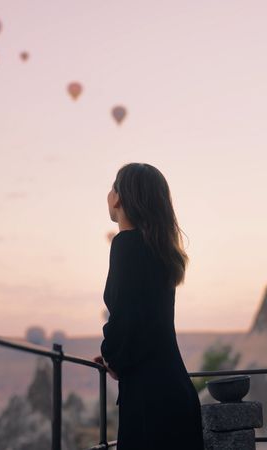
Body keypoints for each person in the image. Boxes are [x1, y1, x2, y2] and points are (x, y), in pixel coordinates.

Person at [93, 162, 204, 449]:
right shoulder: (158, 250)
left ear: (118, 197)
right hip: (174, 391)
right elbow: (147, 321)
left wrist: (111, 356)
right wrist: (116, 357)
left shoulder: (126, 245)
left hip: (149, 400)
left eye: (112, 187)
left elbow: (126, 318)